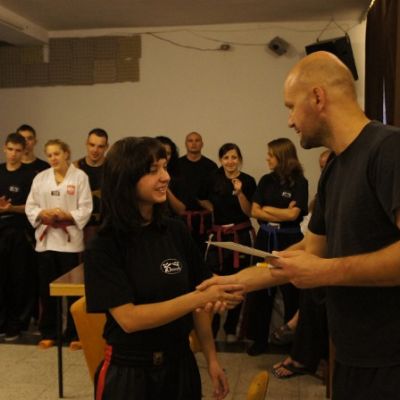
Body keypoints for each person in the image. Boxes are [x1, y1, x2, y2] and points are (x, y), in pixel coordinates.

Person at [197, 51, 400, 399]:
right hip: (350, 352)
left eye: (291, 106)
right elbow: (310, 249)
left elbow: (319, 265)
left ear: (318, 97)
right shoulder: (334, 168)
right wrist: (238, 281)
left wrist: (325, 272)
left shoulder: (388, 149)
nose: (290, 120)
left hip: (390, 359)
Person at [84, 137, 241, 400]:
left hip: (180, 363)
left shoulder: (175, 231)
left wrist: (212, 359)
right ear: (125, 179)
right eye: (152, 170)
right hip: (130, 371)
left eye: (165, 167)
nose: (165, 177)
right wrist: (201, 297)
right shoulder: (104, 245)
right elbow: (129, 319)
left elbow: (203, 291)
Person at [25, 139, 92, 349]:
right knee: (47, 290)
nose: (53, 158)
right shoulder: (41, 178)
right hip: (46, 241)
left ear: (66, 154)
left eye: (57, 154)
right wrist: (42, 213)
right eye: (50, 155)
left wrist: (67, 215)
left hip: (70, 241)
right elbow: (30, 206)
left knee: (73, 291)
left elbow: (86, 208)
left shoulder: (79, 177)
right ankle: (49, 332)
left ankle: (75, 333)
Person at [246, 138, 308, 356]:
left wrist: (268, 209)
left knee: (292, 290)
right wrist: (280, 212)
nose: (267, 158)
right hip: (265, 239)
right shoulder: (265, 180)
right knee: (261, 288)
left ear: (282, 157)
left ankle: (293, 344)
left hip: (289, 240)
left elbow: (294, 215)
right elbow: (254, 211)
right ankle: (259, 340)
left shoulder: (300, 182)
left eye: (271, 155)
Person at [201, 143, 256, 342]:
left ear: (239, 159)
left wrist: (239, 192)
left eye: (234, 157)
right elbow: (201, 199)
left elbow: (250, 211)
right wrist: (214, 210)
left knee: (238, 282)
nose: (230, 161)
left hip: (241, 234)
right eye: (226, 158)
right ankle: (213, 328)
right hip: (218, 236)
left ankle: (231, 328)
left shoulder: (248, 181)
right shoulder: (212, 178)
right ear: (221, 160)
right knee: (215, 280)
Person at [0, 133, 35, 341]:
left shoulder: (29, 176)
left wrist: (11, 208)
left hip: (19, 233)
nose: (13, 154)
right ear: (4, 148)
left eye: (18, 150)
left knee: (18, 280)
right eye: (10, 149)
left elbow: (32, 208)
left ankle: (15, 324)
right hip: (0, 232)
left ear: (24, 152)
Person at [16, 124, 50, 330]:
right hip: (15, 228)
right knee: (18, 277)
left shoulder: (43, 167)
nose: (25, 142)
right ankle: (18, 319)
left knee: (38, 276)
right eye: (21, 138)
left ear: (35, 141)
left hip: (38, 229)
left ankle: (39, 317)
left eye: (29, 138)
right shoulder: (9, 169)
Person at [177, 132, 218, 250]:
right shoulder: (177, 165)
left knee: (204, 252)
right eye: (190, 140)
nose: (193, 143)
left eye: (197, 140)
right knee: (183, 251)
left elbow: (215, 193)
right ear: (185, 144)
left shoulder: (211, 166)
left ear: (202, 144)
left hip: (204, 220)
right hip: (181, 218)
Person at [74, 128, 109, 225]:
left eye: (100, 146)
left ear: (106, 147)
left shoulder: (113, 168)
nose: (95, 150)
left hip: (107, 226)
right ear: (86, 143)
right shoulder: (75, 168)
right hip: (81, 226)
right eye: (92, 145)